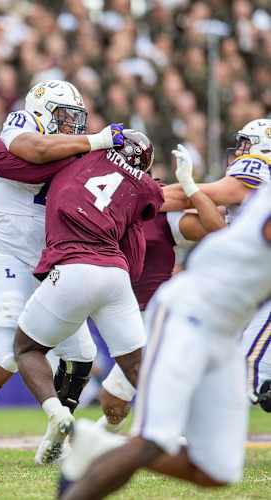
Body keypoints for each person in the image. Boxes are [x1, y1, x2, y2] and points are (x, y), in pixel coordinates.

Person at [0, 83, 126, 466]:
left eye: (75, 118)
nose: (71, 124)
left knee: (81, 354)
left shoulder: (71, 145)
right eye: (64, 115)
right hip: (4, 253)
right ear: (42, 109)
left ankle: (58, 429)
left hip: (49, 260)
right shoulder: (23, 123)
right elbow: (19, 159)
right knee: (4, 357)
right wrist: (95, 141)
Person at [59, 183, 271, 500]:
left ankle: (101, 447)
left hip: (226, 331)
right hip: (189, 314)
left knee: (216, 470)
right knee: (154, 439)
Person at [0, 111, 163, 464]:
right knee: (137, 366)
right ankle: (176, 429)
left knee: (26, 348)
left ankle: (57, 413)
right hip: (115, 275)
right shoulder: (143, 187)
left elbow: (6, 164)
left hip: (73, 270)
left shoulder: (78, 157)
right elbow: (136, 262)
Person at [97, 144, 226, 431]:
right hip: (119, 311)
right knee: (113, 402)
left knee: (115, 397)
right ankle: (102, 442)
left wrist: (191, 186)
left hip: (155, 311)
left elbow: (215, 228)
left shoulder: (162, 208)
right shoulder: (99, 202)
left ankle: (177, 434)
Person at [163, 118, 271, 408]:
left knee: (248, 367)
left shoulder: (257, 169)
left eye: (246, 144)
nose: (239, 151)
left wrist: (140, 197)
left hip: (261, 284)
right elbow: (216, 223)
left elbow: (192, 198)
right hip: (255, 284)